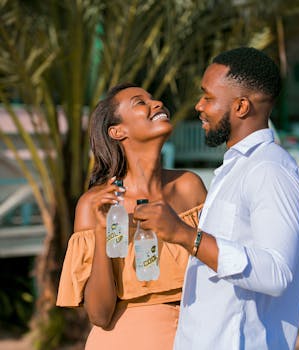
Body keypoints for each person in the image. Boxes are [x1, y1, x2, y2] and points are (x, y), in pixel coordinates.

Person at [134, 47, 299, 349]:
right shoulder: (236, 168)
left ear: (241, 106)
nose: (199, 106)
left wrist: (185, 235)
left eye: (208, 97)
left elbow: (277, 273)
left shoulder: (269, 170)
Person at [56, 82, 207, 349]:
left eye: (153, 98)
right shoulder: (95, 204)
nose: (157, 103)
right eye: (140, 102)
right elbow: (99, 315)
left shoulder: (189, 187)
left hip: (197, 335)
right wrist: (103, 233)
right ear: (117, 131)